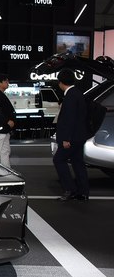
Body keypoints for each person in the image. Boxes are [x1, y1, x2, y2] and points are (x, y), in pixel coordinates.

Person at [53, 68, 89, 202]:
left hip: (71, 138)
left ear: (61, 82)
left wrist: (66, 138)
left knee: (58, 160)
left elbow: (69, 119)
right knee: (78, 163)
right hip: (79, 136)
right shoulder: (78, 93)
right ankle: (83, 192)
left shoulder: (70, 96)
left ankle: (70, 189)